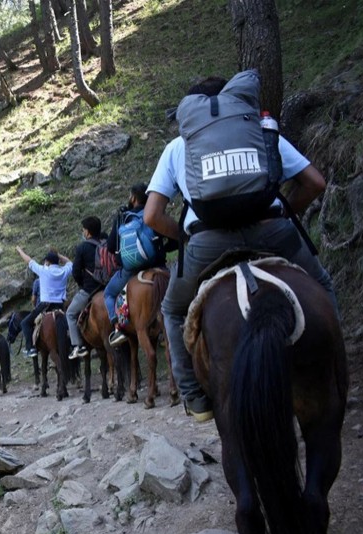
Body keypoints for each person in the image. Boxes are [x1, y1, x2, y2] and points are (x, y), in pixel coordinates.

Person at [144, 73, 336, 423]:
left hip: (208, 242)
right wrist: (284, 213)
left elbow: (152, 216)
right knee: (321, 284)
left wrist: (185, 238)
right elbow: (315, 182)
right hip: (272, 231)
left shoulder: (178, 147)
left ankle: (195, 397)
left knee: (172, 311)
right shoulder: (259, 133)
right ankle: (335, 371)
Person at [105, 184, 174, 347]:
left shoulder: (122, 218)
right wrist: (161, 249)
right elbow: (174, 238)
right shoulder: (155, 212)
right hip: (158, 264)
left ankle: (118, 328)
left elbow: (110, 246)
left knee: (109, 293)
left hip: (130, 269)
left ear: (133, 198)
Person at [17, 247, 73, 358]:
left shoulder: (43, 270)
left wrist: (20, 251)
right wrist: (59, 255)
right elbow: (70, 262)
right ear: (58, 262)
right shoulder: (64, 271)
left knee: (25, 323)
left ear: (47, 262)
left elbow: (29, 260)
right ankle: (72, 346)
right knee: (70, 323)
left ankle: (31, 348)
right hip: (61, 306)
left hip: (45, 306)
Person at [66, 216, 105, 359]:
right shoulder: (104, 245)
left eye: (83, 230)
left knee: (70, 314)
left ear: (87, 232)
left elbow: (75, 272)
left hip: (90, 289)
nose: (83, 232)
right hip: (107, 288)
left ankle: (78, 346)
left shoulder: (83, 247)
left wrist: (83, 285)